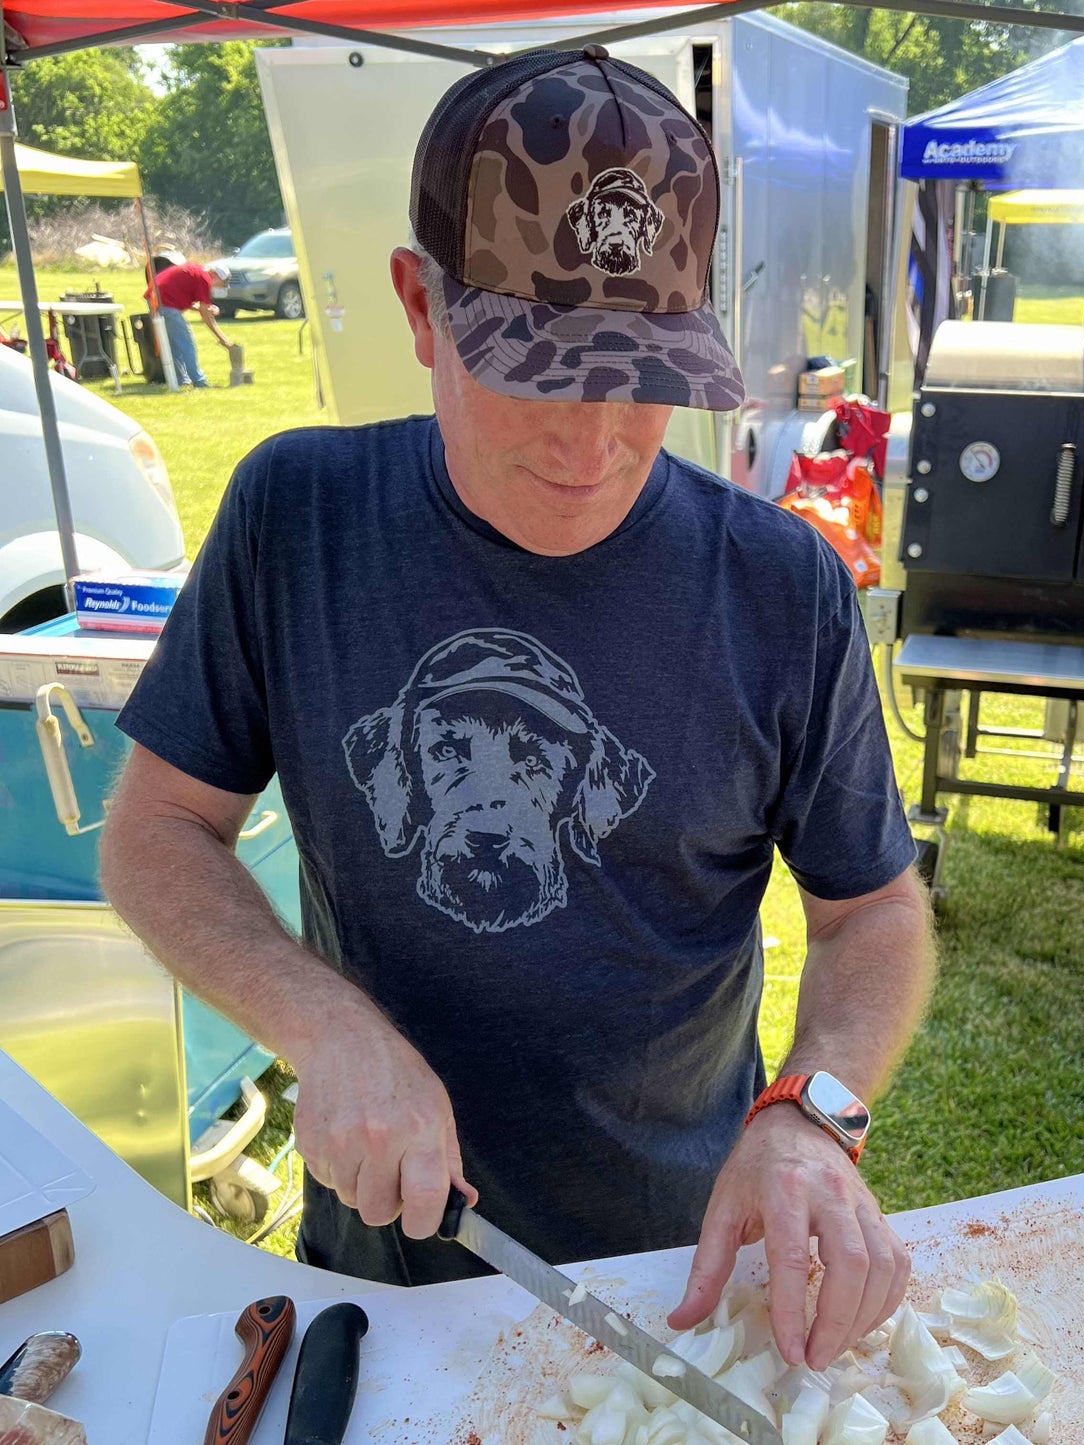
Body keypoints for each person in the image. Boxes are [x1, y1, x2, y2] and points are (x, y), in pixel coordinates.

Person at [102, 47, 934, 1371]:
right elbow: (154, 831)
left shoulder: (779, 587)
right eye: (535, 368)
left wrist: (810, 1111)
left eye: (642, 370)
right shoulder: (295, 519)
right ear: (419, 309)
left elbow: (873, 912)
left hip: (682, 1281)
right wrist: (320, 1022)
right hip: (389, 1280)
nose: (591, 440)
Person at [148, 252, 230, 388]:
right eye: (221, 284)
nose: (217, 288)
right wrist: (222, 338)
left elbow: (187, 301)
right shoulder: (204, 279)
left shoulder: (194, 270)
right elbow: (206, 316)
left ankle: (182, 380)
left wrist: (205, 309)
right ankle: (199, 381)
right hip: (165, 303)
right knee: (187, 344)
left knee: (174, 345)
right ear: (215, 276)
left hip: (154, 299)